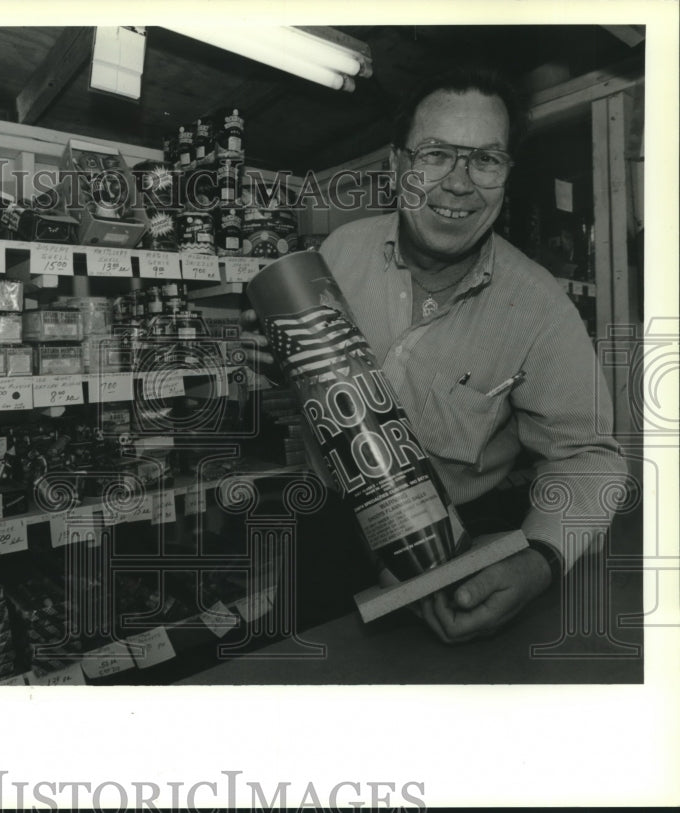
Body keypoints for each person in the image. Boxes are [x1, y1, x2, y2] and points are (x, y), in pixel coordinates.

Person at [241, 66, 627, 643]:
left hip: (445, 553)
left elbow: (592, 456)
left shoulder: (539, 306)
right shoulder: (343, 250)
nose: (459, 183)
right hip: (325, 531)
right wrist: (285, 366)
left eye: (486, 160)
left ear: (506, 175)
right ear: (399, 166)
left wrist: (540, 560)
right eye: (436, 154)